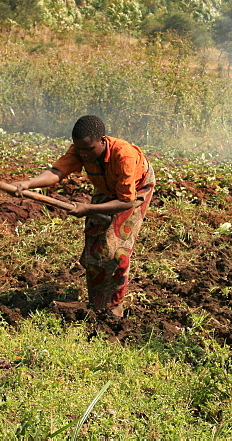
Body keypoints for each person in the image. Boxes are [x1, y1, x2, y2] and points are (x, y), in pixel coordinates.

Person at [12, 115, 155, 317]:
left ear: (103, 140)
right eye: (80, 150)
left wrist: (88, 209)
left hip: (134, 191)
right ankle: (97, 304)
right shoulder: (80, 150)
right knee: (94, 249)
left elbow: (125, 201)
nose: (84, 155)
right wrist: (28, 184)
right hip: (106, 187)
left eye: (89, 150)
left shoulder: (124, 156)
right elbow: (57, 172)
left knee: (118, 253)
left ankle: (115, 305)